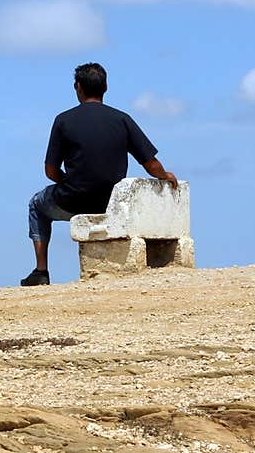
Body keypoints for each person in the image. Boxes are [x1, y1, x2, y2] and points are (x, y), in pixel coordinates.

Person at [21, 62, 178, 286]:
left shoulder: (63, 120)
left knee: (36, 205)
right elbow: (150, 163)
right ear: (105, 87)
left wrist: (69, 181)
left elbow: (50, 171)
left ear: (78, 87)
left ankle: (41, 271)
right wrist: (165, 176)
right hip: (111, 202)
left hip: (73, 199)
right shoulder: (122, 119)